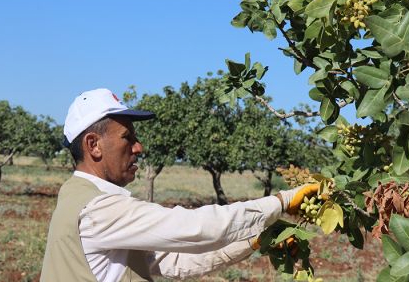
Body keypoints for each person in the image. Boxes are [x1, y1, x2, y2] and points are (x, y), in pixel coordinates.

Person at [41, 88, 316, 282]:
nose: (139, 146)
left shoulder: (76, 197)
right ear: (93, 145)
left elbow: (172, 261)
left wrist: (256, 239)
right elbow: (196, 228)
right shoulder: (97, 209)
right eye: (127, 137)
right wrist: (281, 202)